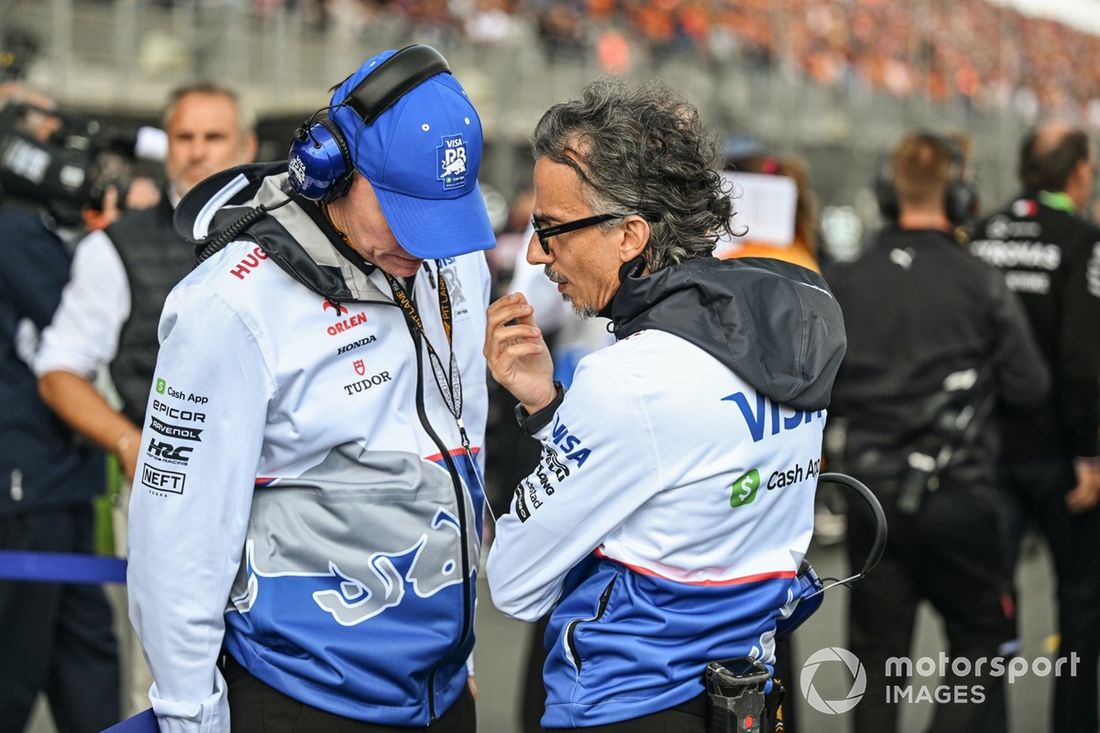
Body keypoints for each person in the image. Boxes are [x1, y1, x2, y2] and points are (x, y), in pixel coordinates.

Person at [126, 45, 495, 731]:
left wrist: (465, 663)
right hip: (299, 695)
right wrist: (189, 714)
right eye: (403, 212)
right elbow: (177, 538)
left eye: (440, 218)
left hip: (441, 691)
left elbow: (464, 444)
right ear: (330, 167)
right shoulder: (227, 306)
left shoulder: (451, 263)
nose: (422, 247)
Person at [484, 79, 847, 731]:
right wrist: (548, 408)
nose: (537, 253)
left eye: (550, 228)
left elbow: (514, 580)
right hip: (748, 695)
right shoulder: (797, 324)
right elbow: (675, 473)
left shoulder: (629, 378)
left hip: (622, 704)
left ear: (629, 235)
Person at [33, 82, 257, 717]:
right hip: (167, 487)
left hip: (278, 486)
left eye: (214, 136)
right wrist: (131, 444)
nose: (198, 151)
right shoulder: (116, 246)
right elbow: (58, 370)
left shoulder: (290, 239)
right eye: (185, 136)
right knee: (167, 683)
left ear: (244, 145)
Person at [827, 131, 1049, 732]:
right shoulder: (978, 280)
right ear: (959, 197)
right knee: (978, 648)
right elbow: (1029, 387)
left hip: (870, 498)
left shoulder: (844, 281)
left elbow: (820, 388)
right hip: (961, 497)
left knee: (873, 660)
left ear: (885, 195)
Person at [970, 121, 1100, 733]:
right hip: (1058, 456)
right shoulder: (1082, 239)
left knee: (991, 607)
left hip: (987, 451)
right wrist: (1090, 455)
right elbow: (1082, 360)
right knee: (1079, 600)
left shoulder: (985, 232)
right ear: (1077, 172)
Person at [0, 83, 120, 732]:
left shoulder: (38, 227)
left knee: (87, 657)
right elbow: (81, 316)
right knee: (13, 667)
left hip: (62, 477)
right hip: (25, 482)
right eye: (50, 137)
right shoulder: (14, 228)